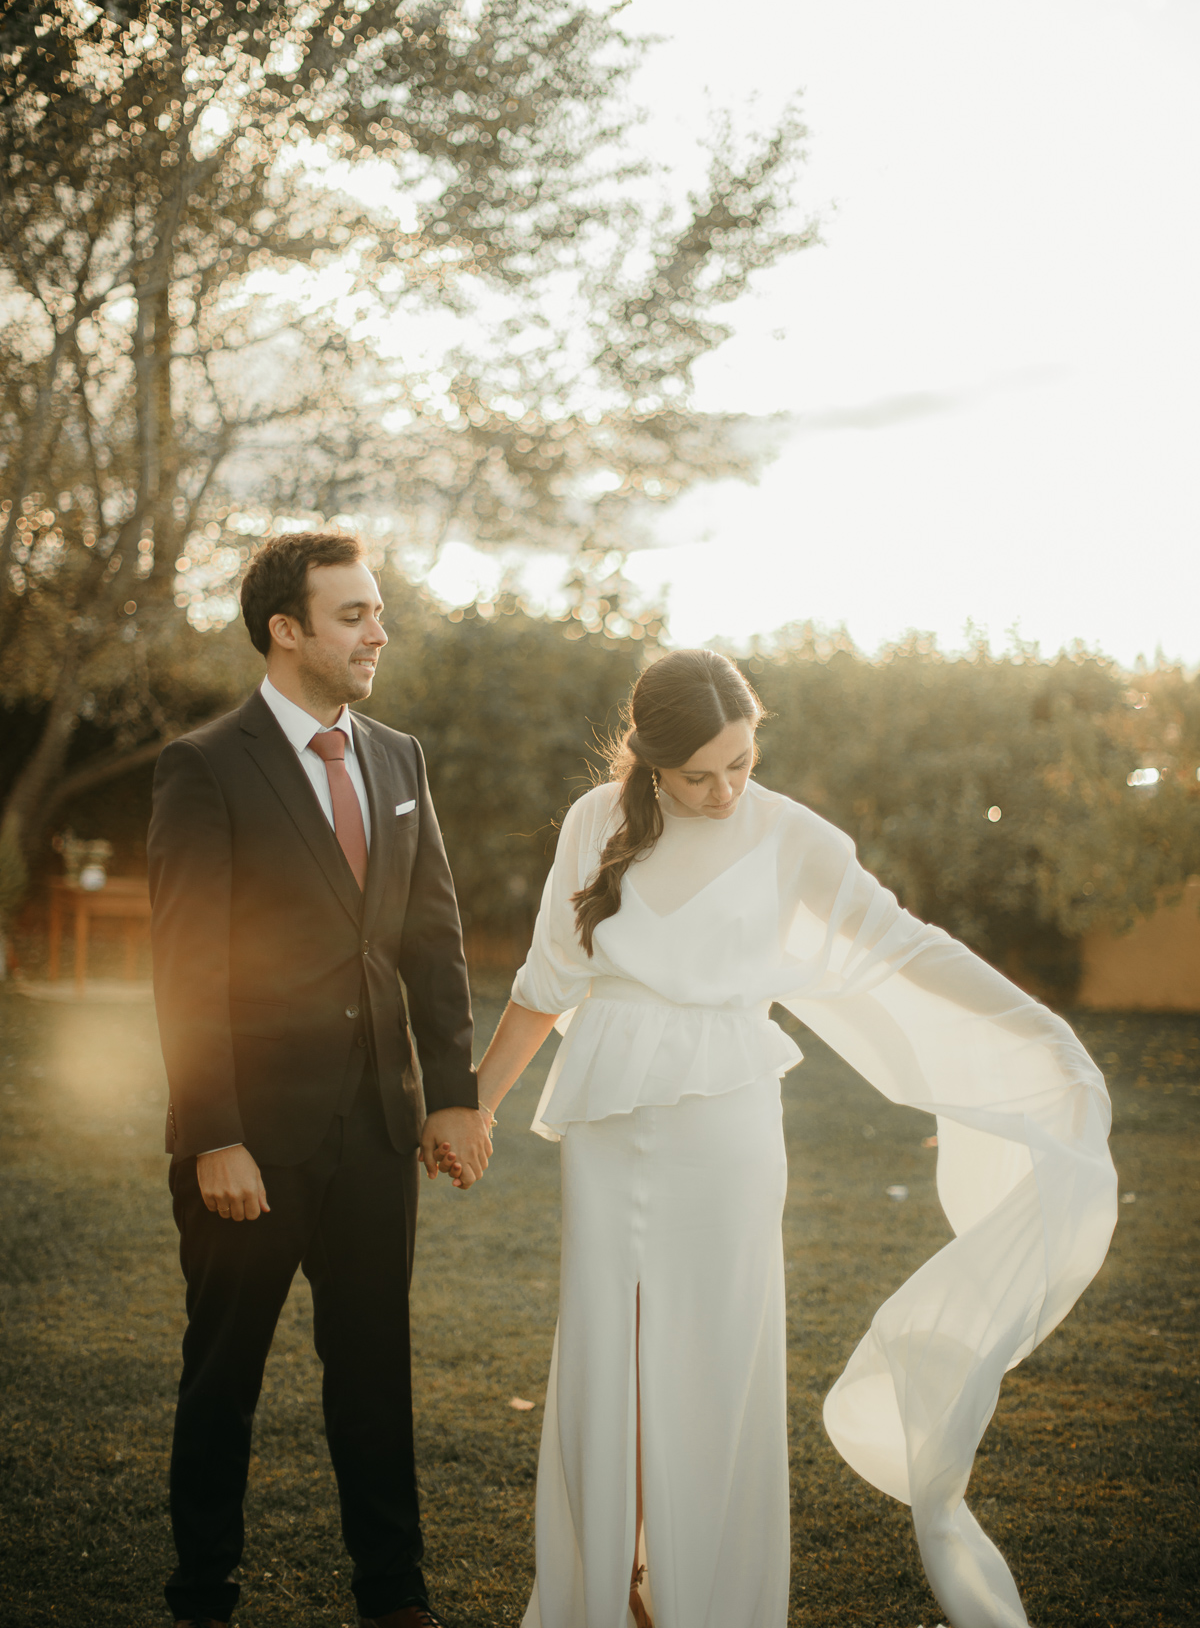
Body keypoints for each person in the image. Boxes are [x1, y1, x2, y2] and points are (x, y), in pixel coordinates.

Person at [465, 648, 1117, 1628]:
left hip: (724, 1127)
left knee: (715, 1357)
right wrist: (475, 1105)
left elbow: (902, 943)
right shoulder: (593, 824)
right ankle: (615, 1588)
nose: (725, 788)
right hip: (608, 1122)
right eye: (700, 773)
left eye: (743, 761)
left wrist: (1031, 1026)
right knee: (613, 1351)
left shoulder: (792, 837)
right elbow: (545, 980)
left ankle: (705, 1598)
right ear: (649, 762)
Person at [148, 531, 491, 1628]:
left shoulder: (399, 759)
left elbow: (432, 940)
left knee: (375, 1377)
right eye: (353, 615)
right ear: (285, 630)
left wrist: (450, 1094)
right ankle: (202, 1598)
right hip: (253, 1140)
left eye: (377, 612)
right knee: (224, 1378)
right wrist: (214, 1135)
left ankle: (395, 1601)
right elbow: (186, 967)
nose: (377, 632)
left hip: (378, 1133)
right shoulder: (204, 766)